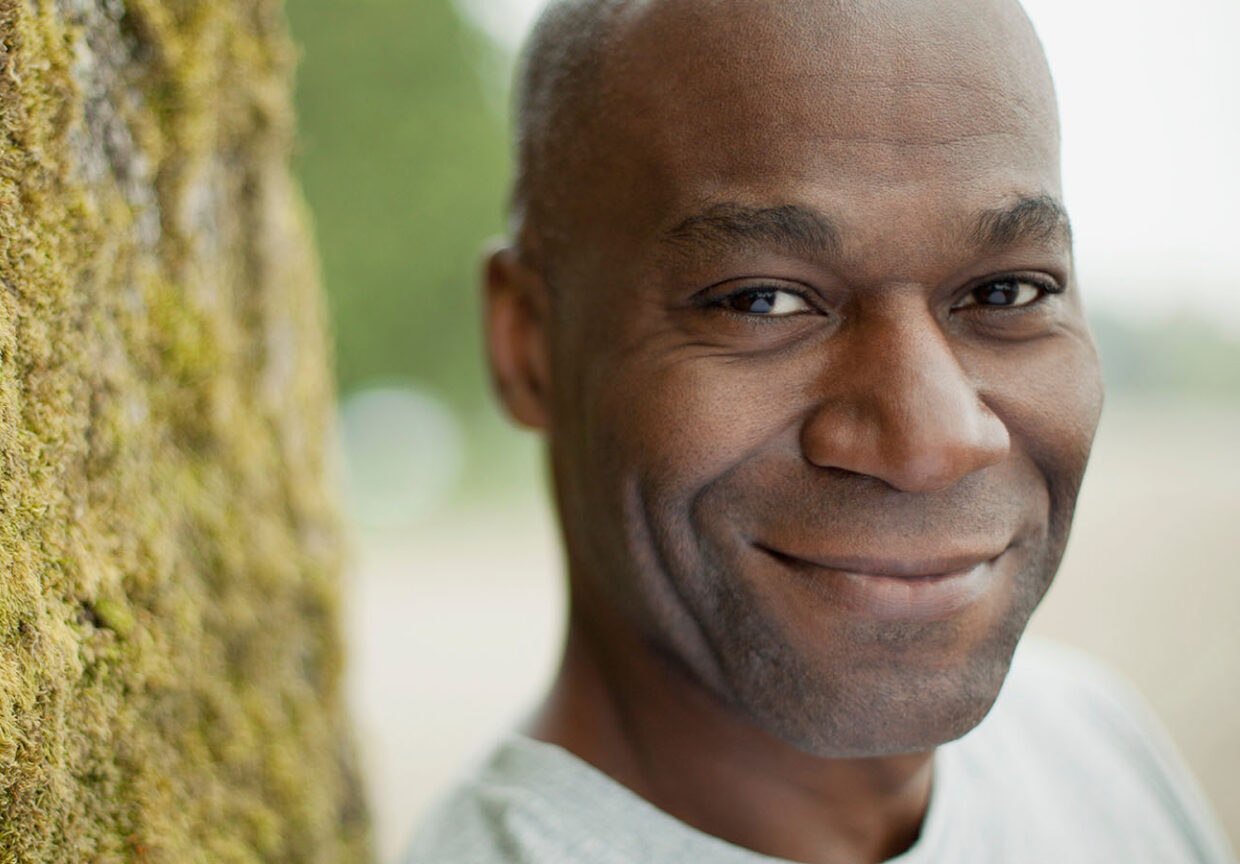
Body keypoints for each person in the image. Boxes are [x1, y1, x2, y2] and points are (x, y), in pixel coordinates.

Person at [399, 1, 1238, 862]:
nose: (933, 443)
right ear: (529, 345)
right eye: (761, 300)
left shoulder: (1091, 751)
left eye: (1006, 293)